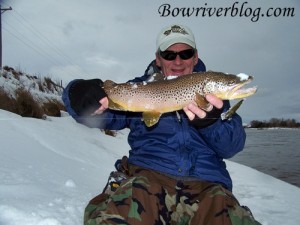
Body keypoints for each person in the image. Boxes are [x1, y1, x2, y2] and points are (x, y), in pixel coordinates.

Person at [63, 24, 261, 225]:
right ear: (158, 58)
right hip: (147, 180)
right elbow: (93, 116)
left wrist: (211, 123)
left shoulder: (217, 101)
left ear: (195, 56)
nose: (178, 61)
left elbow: (232, 146)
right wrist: (77, 93)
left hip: (208, 187)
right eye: (169, 54)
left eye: (186, 53)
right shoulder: (138, 88)